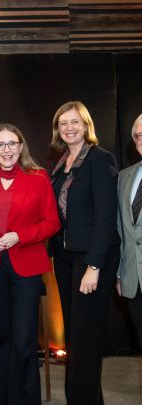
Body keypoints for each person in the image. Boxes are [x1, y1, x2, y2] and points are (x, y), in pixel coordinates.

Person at [0, 123, 60, 405]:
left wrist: (18, 236)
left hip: (28, 268)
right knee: (4, 338)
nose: (7, 149)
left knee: (23, 341)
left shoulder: (38, 178)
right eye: (0, 144)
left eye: (12, 143)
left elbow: (52, 223)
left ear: (21, 147)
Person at [50, 101, 120, 405]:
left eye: (74, 122)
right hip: (66, 259)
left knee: (87, 339)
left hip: (91, 259)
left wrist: (94, 265)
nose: (69, 128)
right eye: (63, 123)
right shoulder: (62, 163)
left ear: (86, 125)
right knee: (75, 340)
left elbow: (106, 216)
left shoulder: (100, 159)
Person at [116, 113, 142, 349]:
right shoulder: (125, 177)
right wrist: (118, 273)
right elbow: (120, 229)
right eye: (139, 136)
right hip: (133, 280)